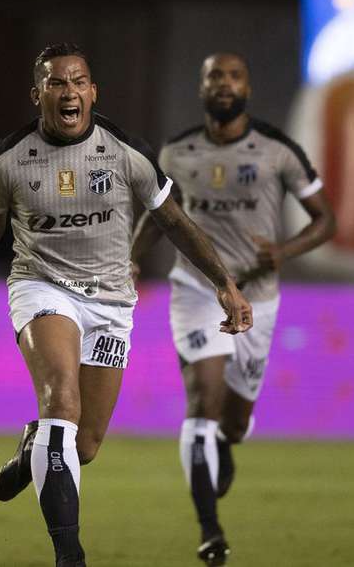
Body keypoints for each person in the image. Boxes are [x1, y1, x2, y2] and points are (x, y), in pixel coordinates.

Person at [0, 43, 252, 567]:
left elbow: (174, 221)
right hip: (41, 288)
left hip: (111, 302)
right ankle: (70, 556)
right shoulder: (8, 159)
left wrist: (225, 282)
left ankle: (32, 448)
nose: (69, 92)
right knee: (61, 402)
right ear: (38, 94)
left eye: (78, 82)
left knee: (82, 445)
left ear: (92, 92)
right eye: (57, 83)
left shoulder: (126, 151)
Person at [131, 53, 336, 565]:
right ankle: (210, 532)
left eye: (234, 76)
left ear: (248, 87)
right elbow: (161, 217)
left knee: (235, 422)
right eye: (214, 76)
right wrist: (129, 262)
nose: (224, 84)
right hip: (197, 291)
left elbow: (325, 220)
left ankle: (224, 441)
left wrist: (284, 253)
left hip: (259, 298)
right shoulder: (177, 153)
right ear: (201, 88)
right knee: (202, 402)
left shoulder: (277, 150)